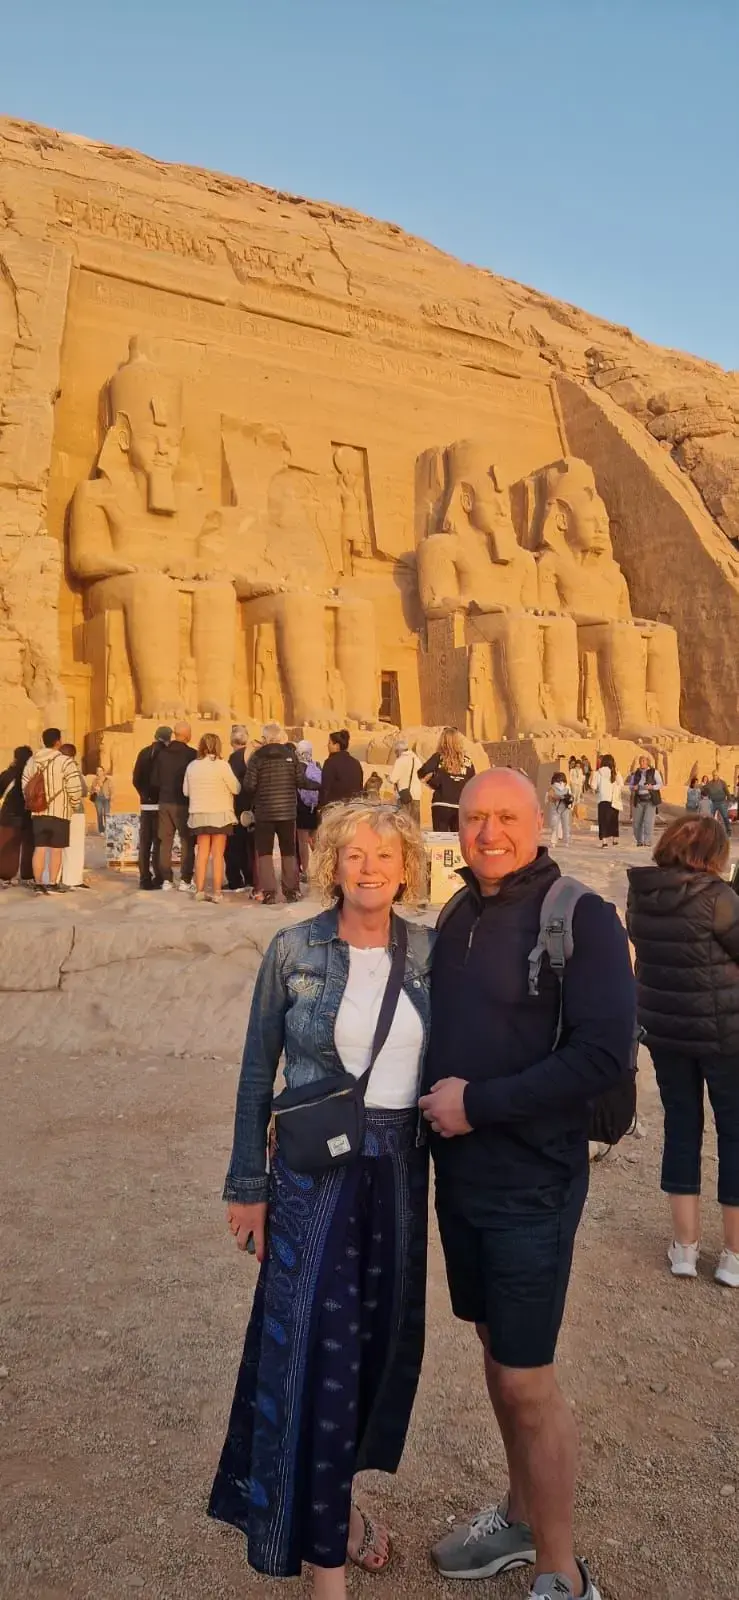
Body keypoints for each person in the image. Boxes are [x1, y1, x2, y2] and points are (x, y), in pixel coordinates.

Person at [208, 800, 433, 1598]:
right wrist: (248, 1187)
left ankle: (334, 1510)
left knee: (372, 1353)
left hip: (400, 1180)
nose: (368, 868)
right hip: (312, 1180)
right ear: (331, 864)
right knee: (308, 1354)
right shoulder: (294, 949)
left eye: (383, 855)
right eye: (352, 855)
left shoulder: (430, 954)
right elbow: (252, 1074)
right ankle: (321, 1563)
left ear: (406, 866)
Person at [420, 769, 634, 1600]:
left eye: (505, 817)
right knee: (490, 1348)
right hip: (461, 1177)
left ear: (539, 823)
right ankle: (517, 1514)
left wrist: (478, 1104)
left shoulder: (580, 914)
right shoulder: (458, 911)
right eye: (474, 819)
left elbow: (602, 1056)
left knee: (525, 1375)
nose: (488, 833)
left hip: (533, 1183)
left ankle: (561, 1571)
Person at [627, 817, 739, 1289]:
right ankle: (733, 1254)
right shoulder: (719, 897)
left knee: (681, 1128)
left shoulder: (642, 893)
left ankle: (686, 1248)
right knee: (734, 1134)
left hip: (667, 1032)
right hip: (725, 1034)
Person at [242, 724, 313, 906]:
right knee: (288, 851)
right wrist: (320, 784)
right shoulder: (290, 755)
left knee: (264, 852)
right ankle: (291, 891)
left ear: (265, 738)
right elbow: (300, 781)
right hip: (287, 812)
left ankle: (269, 892)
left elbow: (249, 785)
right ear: (280, 737)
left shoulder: (257, 757)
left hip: (264, 812)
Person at [22, 729, 84, 895]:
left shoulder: (32, 761)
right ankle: (52, 883)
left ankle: (38, 883)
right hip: (60, 811)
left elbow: (26, 785)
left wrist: (34, 802)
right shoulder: (65, 761)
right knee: (56, 849)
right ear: (58, 742)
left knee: (40, 848)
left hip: (38, 812)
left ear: (43, 741)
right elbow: (75, 787)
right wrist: (73, 804)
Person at [182, 733, 240, 903]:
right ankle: (217, 892)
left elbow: (186, 791)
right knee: (217, 854)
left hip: (199, 814)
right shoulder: (223, 766)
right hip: (220, 814)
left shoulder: (192, 766)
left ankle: (199, 890)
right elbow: (236, 788)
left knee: (202, 853)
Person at [154, 719, 197, 893]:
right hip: (184, 803)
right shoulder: (192, 754)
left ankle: (166, 879)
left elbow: (154, 780)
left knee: (165, 841)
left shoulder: (162, 754)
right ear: (187, 735)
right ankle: (185, 879)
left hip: (164, 802)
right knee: (187, 842)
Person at [132, 726, 171, 891]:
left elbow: (136, 778)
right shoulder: (167, 754)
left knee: (145, 842)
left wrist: (144, 795)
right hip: (161, 803)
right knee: (159, 842)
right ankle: (159, 876)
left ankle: (144, 878)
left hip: (146, 803)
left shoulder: (144, 752)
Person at [418, 726, 476, 831]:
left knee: (441, 841)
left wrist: (432, 781)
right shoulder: (467, 762)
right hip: (460, 805)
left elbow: (421, 773)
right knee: (458, 841)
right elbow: (473, 783)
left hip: (441, 804)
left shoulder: (438, 757)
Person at [224, 726, 254, 893]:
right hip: (251, 807)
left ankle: (235, 880)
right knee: (249, 845)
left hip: (238, 806)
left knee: (235, 846)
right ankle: (250, 877)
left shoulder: (234, 759)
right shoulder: (253, 756)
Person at [0, 745, 34, 885]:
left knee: (8, 848)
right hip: (28, 816)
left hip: (8, 815)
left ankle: (5, 877)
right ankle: (27, 875)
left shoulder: (7, 774)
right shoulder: (32, 774)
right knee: (28, 847)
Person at [59, 743, 89, 889]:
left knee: (60, 847)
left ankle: (61, 877)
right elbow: (83, 790)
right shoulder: (73, 769)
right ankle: (73, 879)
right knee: (75, 847)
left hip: (58, 811)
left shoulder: (53, 768)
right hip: (75, 811)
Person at [295, 738, 322, 880]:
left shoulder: (298, 767)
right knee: (315, 840)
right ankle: (321, 868)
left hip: (301, 808)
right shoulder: (316, 766)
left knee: (302, 842)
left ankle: (305, 870)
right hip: (314, 806)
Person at [318, 729, 364, 810]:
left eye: (330, 743)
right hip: (354, 809)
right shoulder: (356, 763)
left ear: (337, 745)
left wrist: (320, 807)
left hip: (335, 810)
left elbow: (325, 789)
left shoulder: (330, 763)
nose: (328, 746)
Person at [628, 754, 663, 847]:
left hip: (650, 799)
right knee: (636, 823)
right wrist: (633, 787)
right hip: (639, 799)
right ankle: (639, 841)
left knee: (648, 822)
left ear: (648, 762)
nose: (641, 763)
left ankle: (647, 841)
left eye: (643, 761)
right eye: (640, 761)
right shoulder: (636, 773)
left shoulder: (654, 772)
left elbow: (660, 784)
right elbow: (630, 786)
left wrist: (652, 786)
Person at [390, 736, 422, 825]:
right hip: (416, 796)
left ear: (399, 750)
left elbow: (393, 779)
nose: (395, 754)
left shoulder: (400, 760)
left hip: (404, 797)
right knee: (415, 826)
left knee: (403, 825)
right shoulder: (416, 759)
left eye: (395, 752)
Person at [592, 754, 623, 847]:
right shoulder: (615, 772)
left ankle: (604, 842)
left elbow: (593, 785)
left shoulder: (598, 773)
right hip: (613, 799)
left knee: (603, 821)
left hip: (602, 800)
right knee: (613, 820)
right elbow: (621, 784)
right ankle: (615, 840)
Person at [547, 770, 573, 847]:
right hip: (565, 808)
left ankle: (554, 842)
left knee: (554, 825)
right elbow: (570, 798)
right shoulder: (566, 788)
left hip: (555, 808)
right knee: (565, 824)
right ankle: (566, 841)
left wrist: (558, 797)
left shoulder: (552, 788)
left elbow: (550, 797)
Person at [702, 771, 732, 837]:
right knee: (711, 817)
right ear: (712, 775)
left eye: (716, 775)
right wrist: (702, 790)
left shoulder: (722, 783)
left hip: (722, 802)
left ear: (718, 775)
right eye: (713, 775)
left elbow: (727, 791)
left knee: (725, 817)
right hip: (713, 802)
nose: (714, 776)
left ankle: (729, 830)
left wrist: (729, 800)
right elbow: (704, 790)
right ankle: (710, 832)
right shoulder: (710, 783)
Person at [89, 767, 113, 834]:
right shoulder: (95, 780)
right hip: (98, 799)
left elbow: (112, 790)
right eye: (98, 771)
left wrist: (111, 800)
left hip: (106, 799)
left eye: (101, 771)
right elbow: (91, 790)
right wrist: (94, 790)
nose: (99, 772)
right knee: (99, 814)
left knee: (107, 814)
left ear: (103, 772)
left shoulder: (108, 780)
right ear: (96, 772)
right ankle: (101, 830)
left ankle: (107, 829)